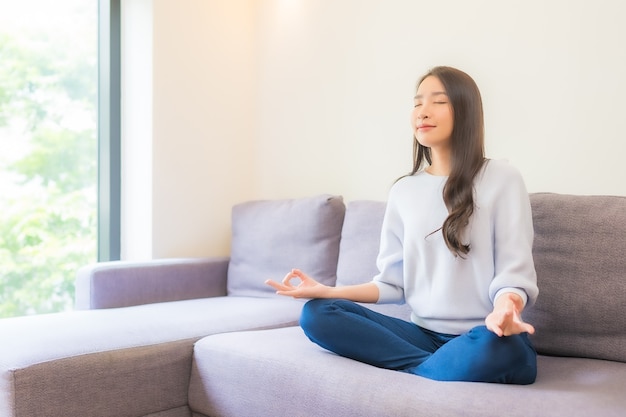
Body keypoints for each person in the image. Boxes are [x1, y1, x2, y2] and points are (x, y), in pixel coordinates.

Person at [265, 66, 539, 384]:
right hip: (421, 335)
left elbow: (513, 273)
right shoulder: (404, 191)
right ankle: (435, 369)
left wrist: (505, 309)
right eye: (417, 101)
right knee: (317, 314)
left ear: (466, 110)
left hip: (486, 334)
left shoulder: (503, 179)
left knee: (504, 349)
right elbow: (393, 284)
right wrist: (329, 291)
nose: (423, 111)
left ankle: (421, 371)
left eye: (438, 101)